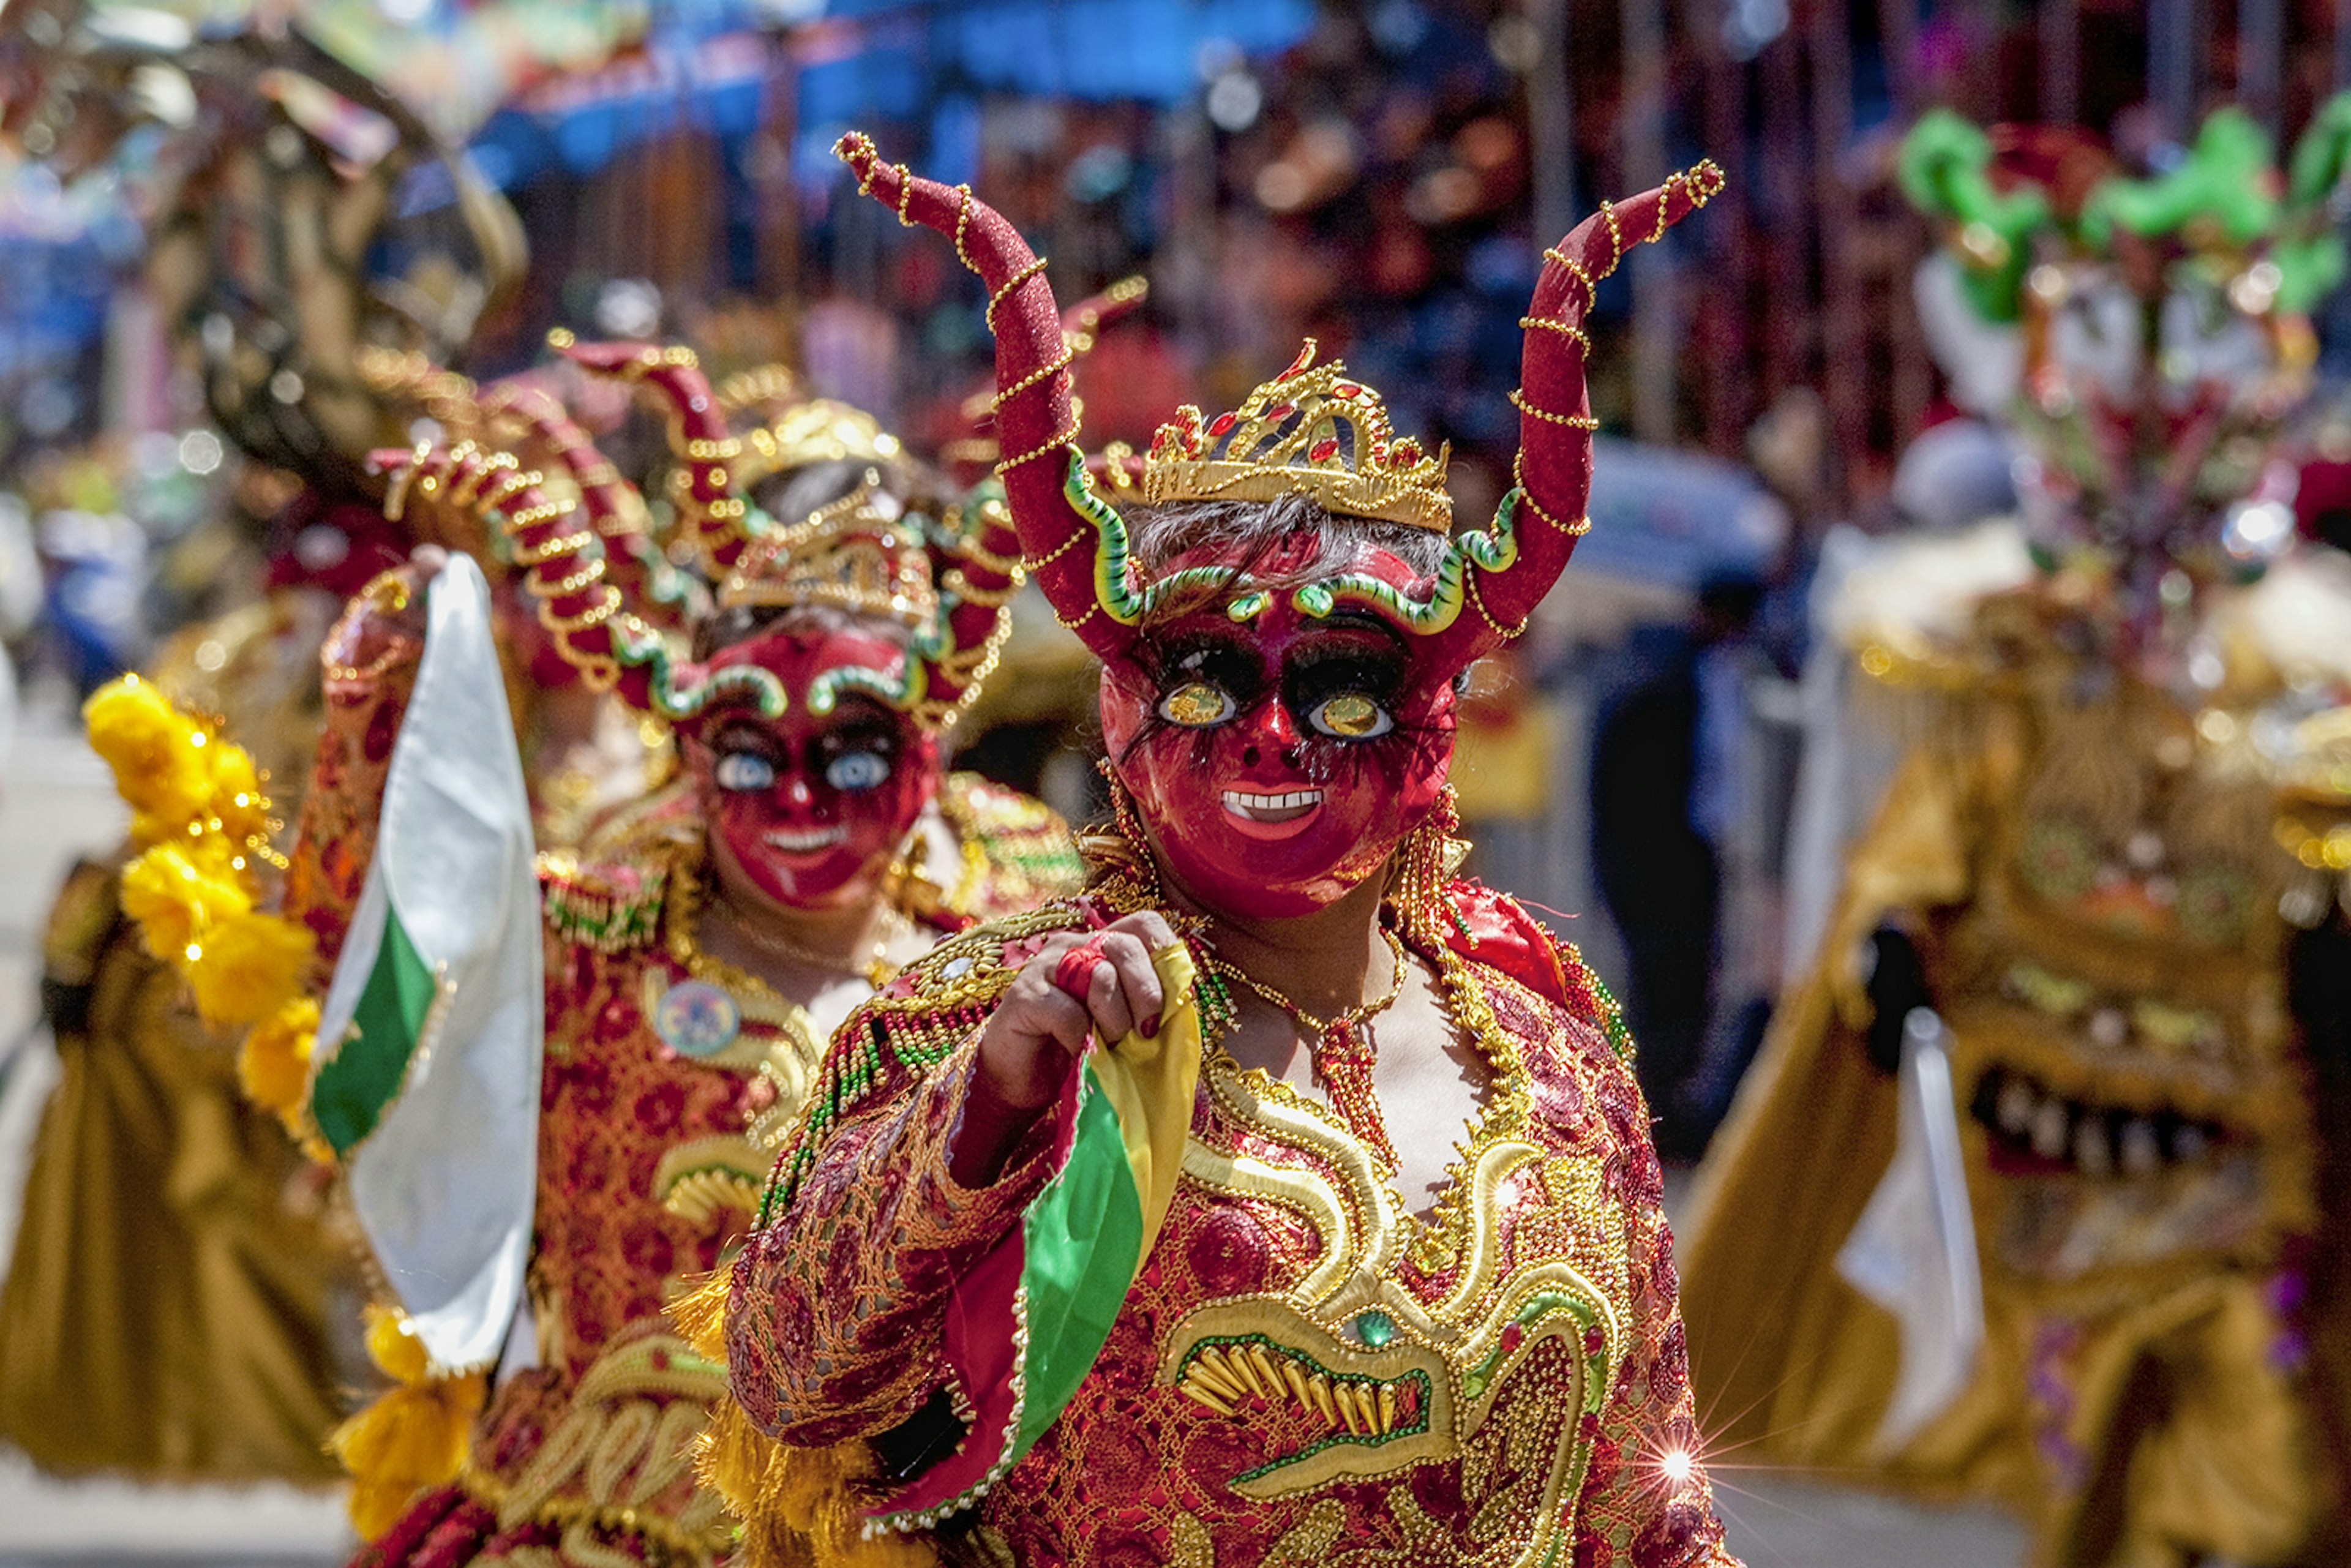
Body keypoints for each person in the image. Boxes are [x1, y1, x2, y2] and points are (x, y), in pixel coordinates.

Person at [696, 135, 1742, 1568]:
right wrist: (990, 1110)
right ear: (1123, 712)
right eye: (1203, 680)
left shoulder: (1554, 1051)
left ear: (1434, 723)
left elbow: (1654, 1503)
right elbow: (784, 1372)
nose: (1265, 736)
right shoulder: (997, 1020)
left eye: (1339, 684)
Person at [1679, 103, 2351, 1568]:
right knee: (2078, 1475)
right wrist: (1886, 960)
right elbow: (1926, 840)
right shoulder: (1992, 652)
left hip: (2245, 1139)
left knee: (2274, 1490)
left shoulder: (2309, 659)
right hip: (2043, 1134)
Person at [282, 343, 1082, 1568]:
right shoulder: (583, 925)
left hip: (939, 1511)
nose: (801, 795)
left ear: (935, 724)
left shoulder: (1024, 903)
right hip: (613, 1507)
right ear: (692, 742)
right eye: (751, 754)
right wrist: (392, 725)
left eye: (857, 750)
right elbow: (370, 1018)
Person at [0, 22, 522, 1484]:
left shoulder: (420, 455)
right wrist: (201, 177)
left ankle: (411, 1399)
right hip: (273, 807)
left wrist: (309, 136)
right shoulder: (276, 442)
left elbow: (357, 254)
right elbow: (209, 294)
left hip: (388, 806)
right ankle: (301, 1407)